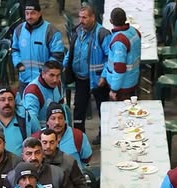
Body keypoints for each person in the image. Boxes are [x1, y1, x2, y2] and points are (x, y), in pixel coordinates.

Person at [65, 5, 109, 135]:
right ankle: (79, 138)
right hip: (81, 78)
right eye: (80, 17)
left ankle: (104, 135)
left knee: (103, 109)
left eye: (84, 17)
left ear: (93, 17)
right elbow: (71, 51)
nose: (81, 20)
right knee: (78, 110)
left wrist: (104, 76)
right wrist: (65, 65)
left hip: (97, 79)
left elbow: (110, 58)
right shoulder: (78, 31)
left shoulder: (102, 34)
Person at [11, 0, 65, 88]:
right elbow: (15, 50)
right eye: (27, 13)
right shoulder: (19, 30)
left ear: (40, 13)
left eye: (33, 13)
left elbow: (57, 55)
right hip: (24, 79)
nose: (29, 17)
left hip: (44, 81)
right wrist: (18, 64)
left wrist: (46, 72)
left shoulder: (51, 31)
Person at [99, 8, 141, 101]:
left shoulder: (119, 41)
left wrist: (114, 89)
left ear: (110, 21)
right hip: (133, 79)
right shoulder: (134, 32)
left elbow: (119, 68)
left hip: (122, 87)